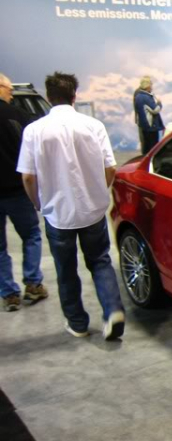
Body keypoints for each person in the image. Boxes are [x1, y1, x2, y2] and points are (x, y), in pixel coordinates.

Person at [17, 72, 125, 340]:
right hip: (93, 210)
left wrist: (38, 203)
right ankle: (112, 310)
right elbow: (110, 167)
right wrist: (100, 192)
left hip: (57, 214)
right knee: (100, 261)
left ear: (48, 97)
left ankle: (77, 323)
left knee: (66, 270)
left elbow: (28, 176)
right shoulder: (94, 125)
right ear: (74, 96)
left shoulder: (34, 130)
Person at [0, 73, 47, 312]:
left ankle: (9, 295)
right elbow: (32, 157)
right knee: (31, 236)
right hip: (17, 191)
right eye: (9, 89)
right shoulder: (18, 116)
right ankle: (33, 284)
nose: (11, 93)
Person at [133, 75, 164, 155]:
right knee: (153, 149)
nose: (152, 87)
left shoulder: (138, 95)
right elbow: (155, 110)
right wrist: (159, 104)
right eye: (151, 84)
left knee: (146, 147)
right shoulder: (146, 97)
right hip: (151, 127)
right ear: (148, 85)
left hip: (144, 126)